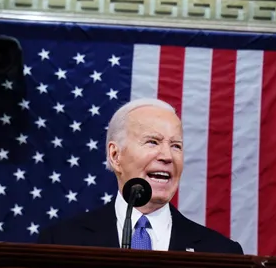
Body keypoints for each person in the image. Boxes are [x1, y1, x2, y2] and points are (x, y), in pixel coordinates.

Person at [37, 98, 243, 254]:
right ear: (115, 155)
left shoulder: (220, 252)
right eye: (152, 142)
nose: (167, 156)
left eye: (176, 146)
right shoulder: (61, 242)